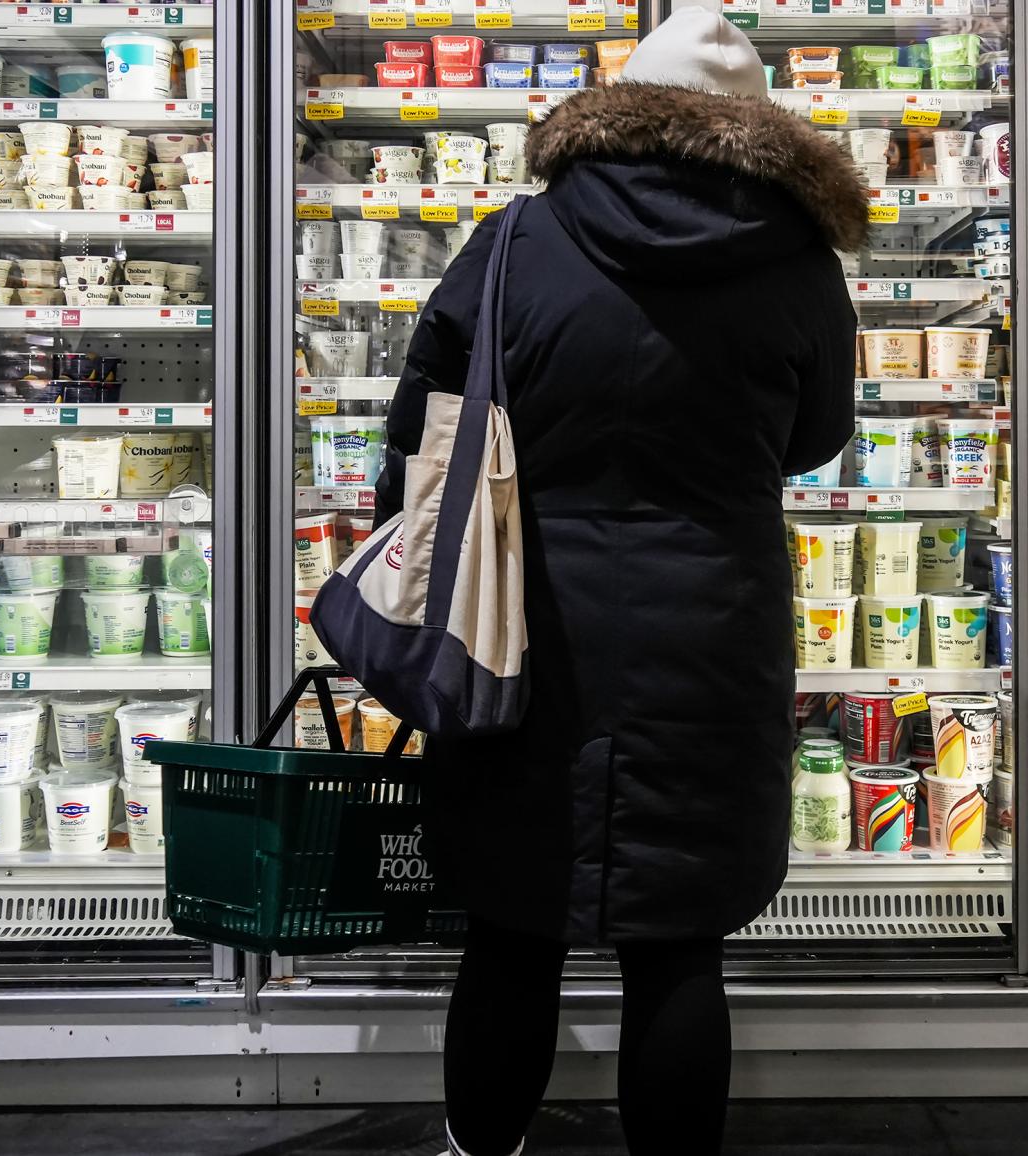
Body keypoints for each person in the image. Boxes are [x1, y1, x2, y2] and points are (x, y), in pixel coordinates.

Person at [373, 10, 866, 1154]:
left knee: (509, 929)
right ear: (756, 129)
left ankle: (481, 1148)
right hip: (712, 627)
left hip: (517, 626)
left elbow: (419, 432)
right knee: (679, 941)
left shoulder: (511, 243)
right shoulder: (798, 264)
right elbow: (815, 441)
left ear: (613, 114)